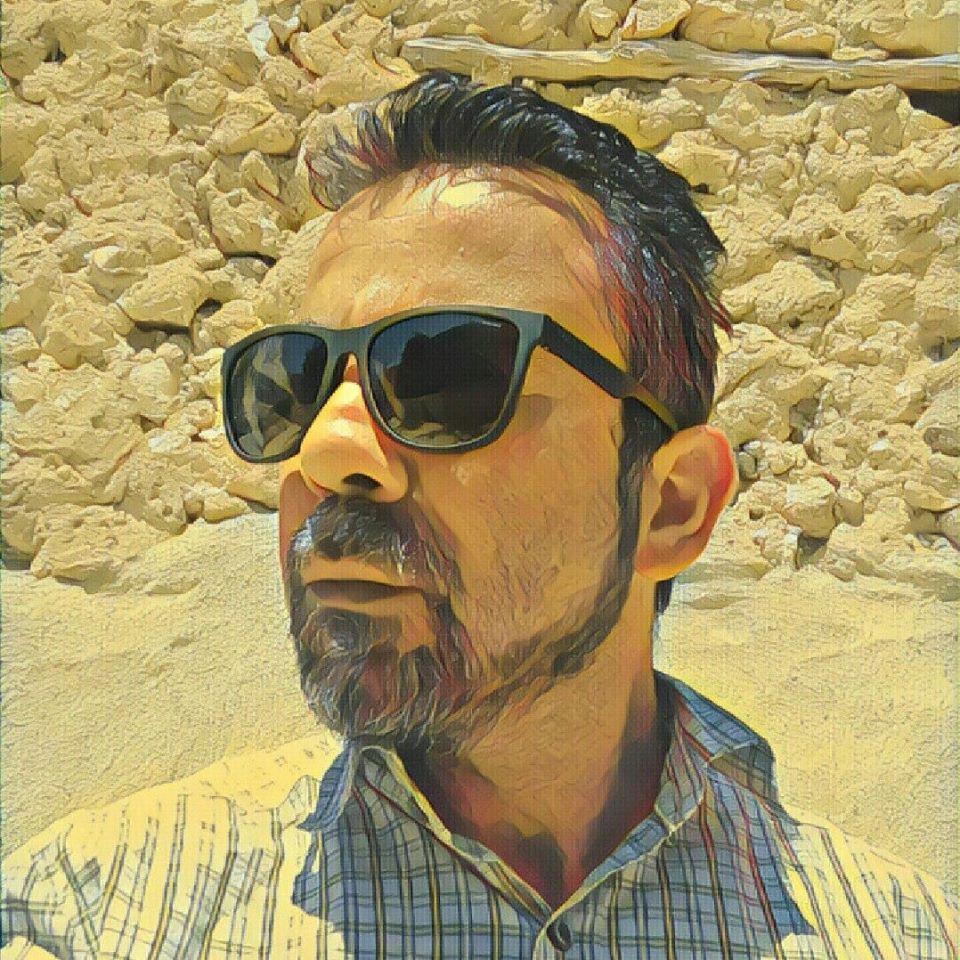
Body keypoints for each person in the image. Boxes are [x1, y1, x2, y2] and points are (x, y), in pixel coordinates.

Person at [2, 71, 956, 960]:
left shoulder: (889, 935)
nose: (326, 452)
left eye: (445, 375)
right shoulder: (108, 914)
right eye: (291, 383)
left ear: (672, 506)